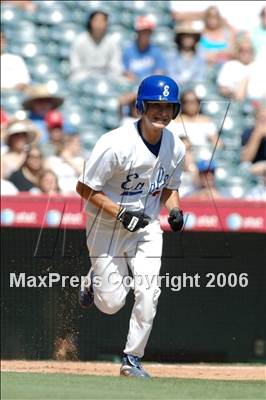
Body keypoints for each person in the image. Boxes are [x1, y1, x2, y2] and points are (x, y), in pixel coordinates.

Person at [76, 75, 185, 378]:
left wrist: (174, 209)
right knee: (111, 303)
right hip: (107, 224)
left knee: (149, 291)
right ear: (141, 105)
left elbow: (169, 187)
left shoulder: (175, 147)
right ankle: (93, 280)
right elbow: (84, 188)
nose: (162, 112)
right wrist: (121, 212)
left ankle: (132, 359)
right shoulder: (115, 144)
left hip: (146, 227)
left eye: (169, 106)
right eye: (156, 105)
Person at [69, 10, 123, 82]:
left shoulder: (112, 42)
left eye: (102, 21)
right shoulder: (79, 41)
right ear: (90, 22)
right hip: (83, 76)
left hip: (106, 77)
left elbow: (116, 67)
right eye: (96, 20)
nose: (99, 24)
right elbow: (75, 66)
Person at [122, 15, 166, 83]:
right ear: (137, 33)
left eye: (148, 32)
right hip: (132, 85)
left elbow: (160, 71)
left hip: (151, 85)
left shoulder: (156, 51)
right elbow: (125, 71)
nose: (145, 35)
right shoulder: (128, 51)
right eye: (142, 32)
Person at [241, 106, 266, 177]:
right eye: (262, 119)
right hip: (255, 169)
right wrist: (257, 135)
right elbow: (245, 160)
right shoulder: (248, 133)